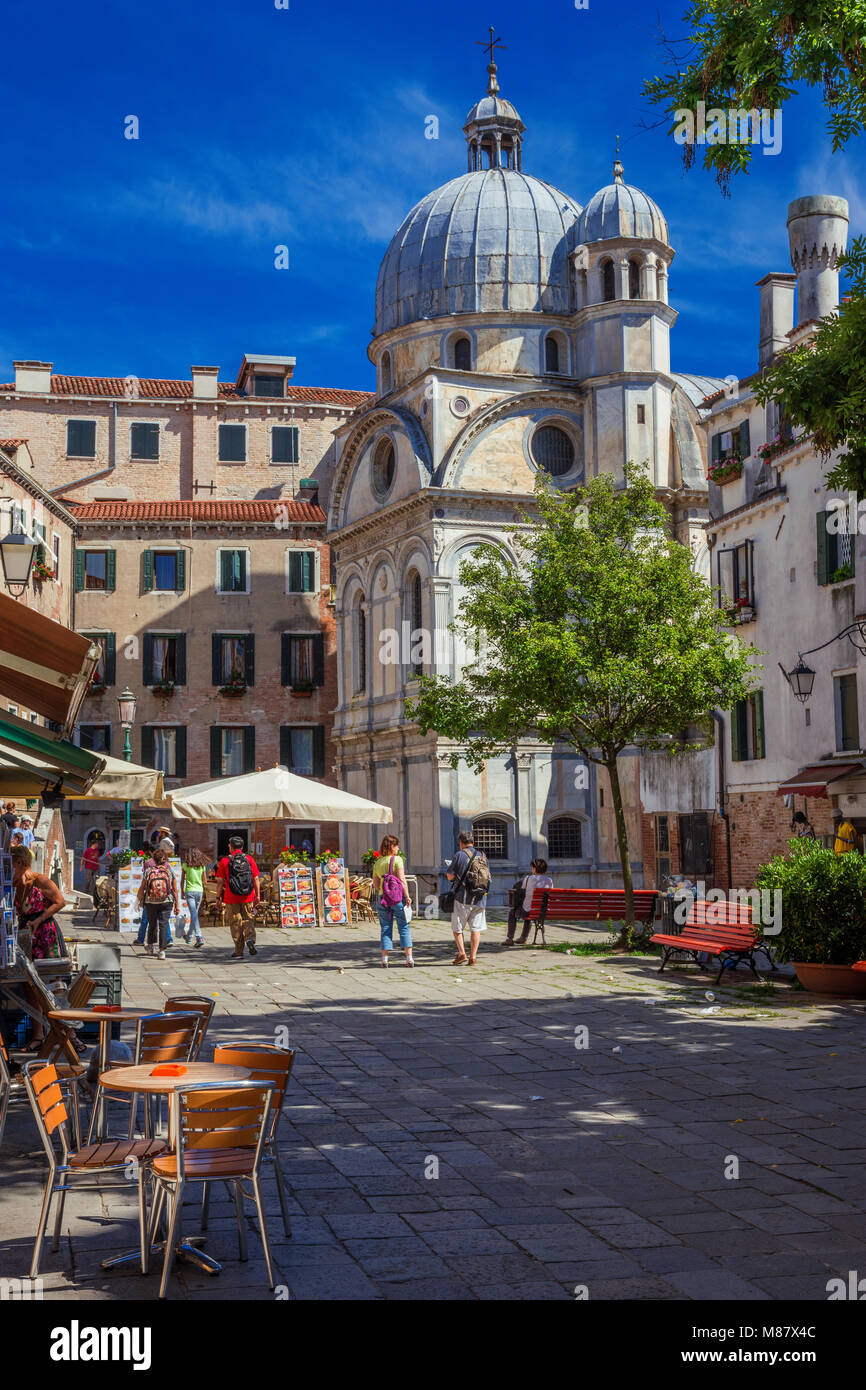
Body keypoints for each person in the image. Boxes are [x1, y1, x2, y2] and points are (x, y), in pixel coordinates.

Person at [12, 846, 67, 1050]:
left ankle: (63, 1032)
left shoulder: (40, 880)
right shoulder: (15, 884)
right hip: (27, 937)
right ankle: (38, 1035)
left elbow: (60, 902)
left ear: (19, 863)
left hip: (46, 934)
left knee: (55, 983)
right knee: (29, 985)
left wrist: (40, 919)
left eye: (10, 863)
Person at [446, 830, 491, 965]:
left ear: (460, 842)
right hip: (480, 898)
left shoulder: (459, 855)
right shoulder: (482, 856)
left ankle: (462, 953)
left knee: (457, 928)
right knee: (475, 928)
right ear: (473, 842)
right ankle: (473, 956)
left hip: (463, 898)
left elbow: (450, 876)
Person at [372, 833, 413, 967]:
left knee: (385, 927)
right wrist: (407, 896)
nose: (398, 849)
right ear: (392, 847)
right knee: (404, 926)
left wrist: (383, 892)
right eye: (397, 846)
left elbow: (376, 884)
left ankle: (385, 960)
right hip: (397, 898)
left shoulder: (378, 862)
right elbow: (402, 879)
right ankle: (409, 959)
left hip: (383, 899)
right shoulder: (397, 860)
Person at [216, 835, 261, 958]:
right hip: (248, 896)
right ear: (242, 847)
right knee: (248, 919)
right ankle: (250, 939)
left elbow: (220, 881)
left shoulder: (225, 861)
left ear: (230, 847)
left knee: (235, 922)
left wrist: (218, 898)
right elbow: (256, 878)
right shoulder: (249, 859)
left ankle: (239, 951)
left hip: (231, 897)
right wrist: (257, 895)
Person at [135, 845, 179, 960]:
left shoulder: (149, 871)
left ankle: (150, 947)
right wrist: (177, 905)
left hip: (151, 901)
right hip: (166, 901)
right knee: (163, 924)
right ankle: (162, 951)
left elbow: (142, 887)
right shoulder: (169, 871)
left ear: (154, 859)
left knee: (152, 924)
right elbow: (174, 889)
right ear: (165, 859)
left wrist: (137, 900)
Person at [506, 857, 554, 946]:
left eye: (532, 867)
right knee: (530, 908)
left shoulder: (528, 879)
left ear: (535, 869)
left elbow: (522, 891)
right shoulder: (549, 880)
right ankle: (523, 938)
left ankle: (510, 938)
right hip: (542, 912)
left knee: (512, 912)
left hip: (528, 911)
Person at [181, 847, 208, 948]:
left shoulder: (185, 866)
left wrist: (182, 892)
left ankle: (199, 937)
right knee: (194, 914)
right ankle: (189, 937)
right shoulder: (202, 866)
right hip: (199, 891)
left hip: (189, 891)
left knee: (194, 914)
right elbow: (204, 881)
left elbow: (182, 880)